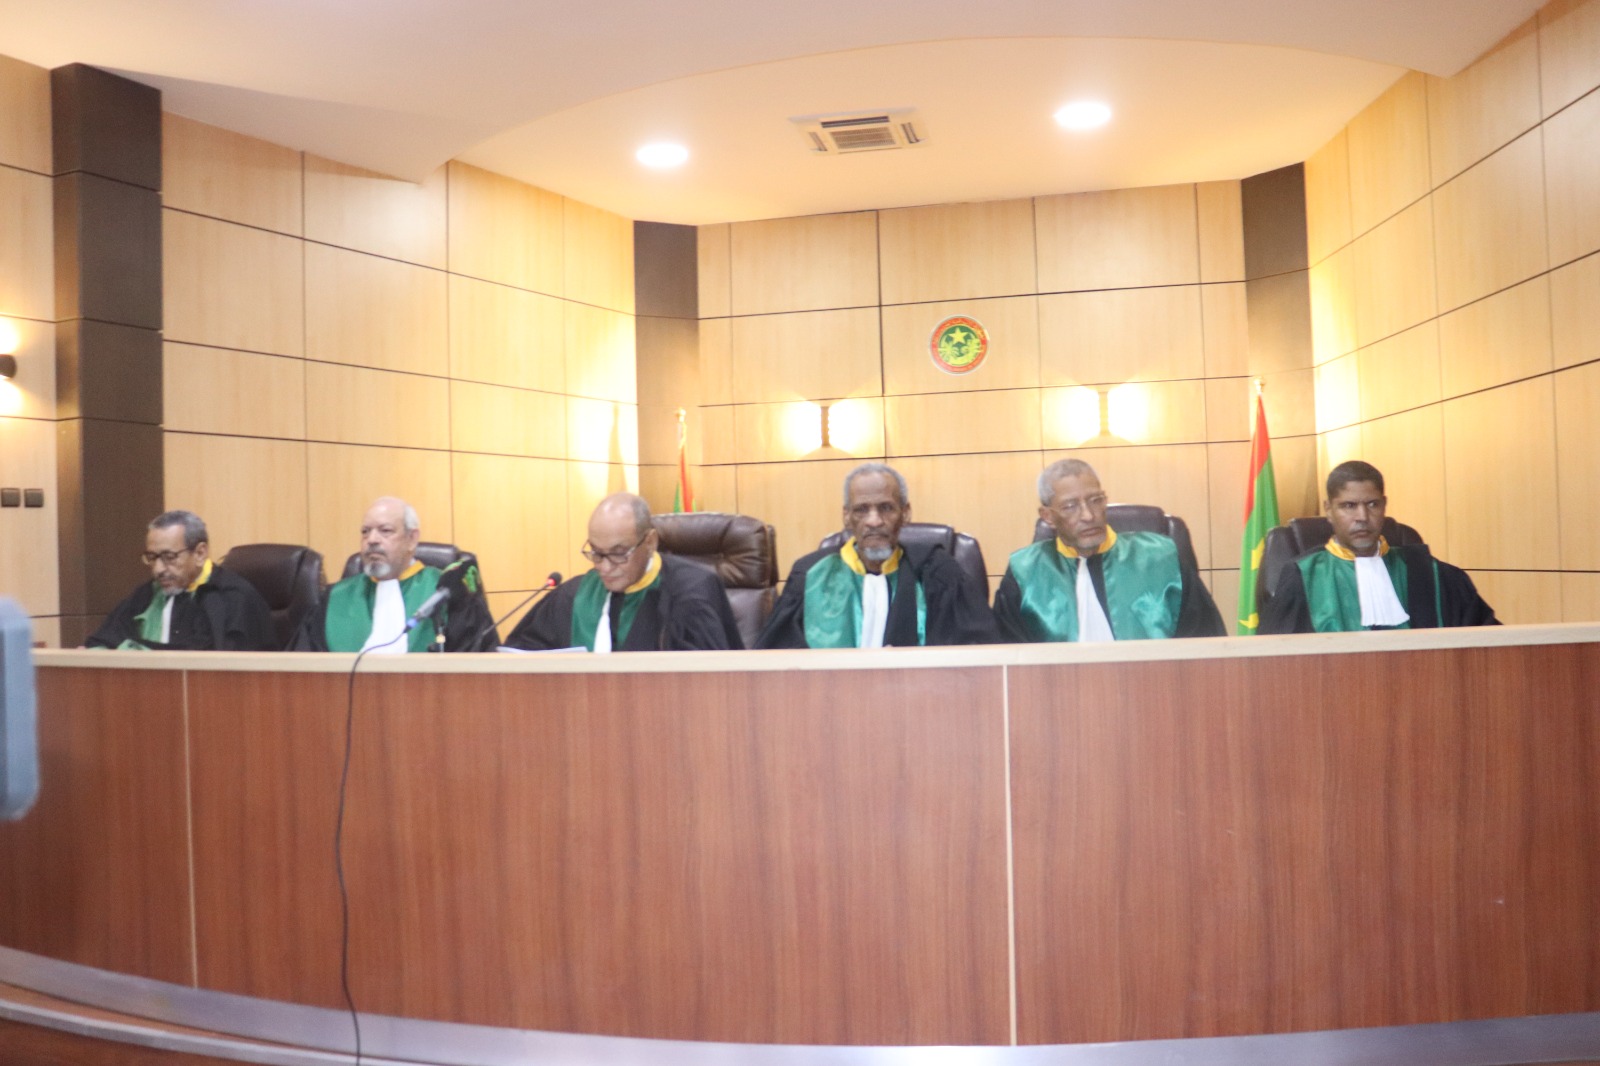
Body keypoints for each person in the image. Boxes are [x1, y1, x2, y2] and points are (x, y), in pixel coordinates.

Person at [755, 463, 998, 648]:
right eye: (861, 510)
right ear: (846, 516)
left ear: (905, 513)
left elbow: (977, 656)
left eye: (886, 508)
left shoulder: (939, 575)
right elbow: (775, 666)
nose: (874, 521)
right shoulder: (811, 577)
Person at [993, 459, 1225, 643]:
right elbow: (1010, 660)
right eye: (1070, 506)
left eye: (1096, 500)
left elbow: (1206, 642)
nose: (1088, 515)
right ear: (1047, 516)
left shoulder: (1161, 560)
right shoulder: (1025, 573)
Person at [1259, 460, 1499, 634]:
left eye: (1372, 504)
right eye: (1349, 506)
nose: (1362, 517)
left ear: (1384, 505)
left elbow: (1488, 640)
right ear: (1329, 510)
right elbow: (1274, 661)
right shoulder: (1302, 577)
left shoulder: (1432, 574)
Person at [504, 493, 742, 652]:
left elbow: (713, 680)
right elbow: (523, 656)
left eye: (619, 553)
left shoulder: (692, 594)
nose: (605, 567)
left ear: (650, 542)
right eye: (597, 553)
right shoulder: (572, 597)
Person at [292, 496, 497, 652]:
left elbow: (478, 666)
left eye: (385, 530)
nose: (372, 539)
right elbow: (301, 669)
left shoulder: (448, 593)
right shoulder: (334, 599)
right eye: (365, 531)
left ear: (412, 539)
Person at [87, 510, 275, 651]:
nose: (158, 569)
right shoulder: (148, 594)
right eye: (152, 557)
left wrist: (135, 649)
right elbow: (101, 643)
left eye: (169, 557)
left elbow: (208, 661)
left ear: (200, 553)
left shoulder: (233, 598)